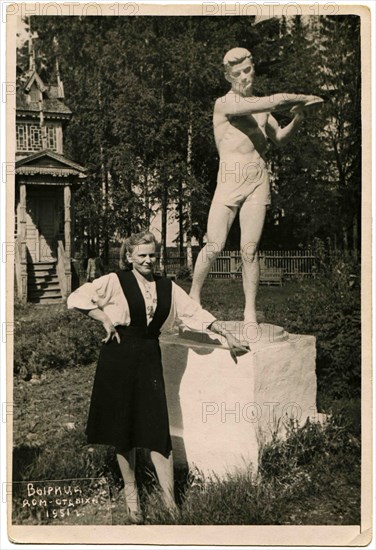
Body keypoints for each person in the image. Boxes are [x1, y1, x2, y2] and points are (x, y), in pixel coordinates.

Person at [67, 230, 248, 523]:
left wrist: (225, 334)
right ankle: (131, 493)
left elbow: (194, 313)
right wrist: (104, 319)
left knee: (157, 430)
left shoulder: (168, 287)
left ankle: (170, 504)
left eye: (152, 254)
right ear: (129, 257)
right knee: (123, 429)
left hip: (149, 356)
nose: (148, 260)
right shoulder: (115, 281)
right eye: (142, 255)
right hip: (119, 355)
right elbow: (77, 297)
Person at [189, 47, 323, 327]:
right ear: (228, 76)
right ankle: (193, 299)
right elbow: (272, 102)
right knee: (214, 245)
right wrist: (304, 98)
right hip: (229, 179)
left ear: (253, 69)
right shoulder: (225, 104)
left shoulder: (262, 111)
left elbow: (281, 139)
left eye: (247, 70)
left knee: (249, 249)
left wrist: (298, 117)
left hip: (257, 179)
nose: (244, 77)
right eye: (236, 73)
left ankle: (249, 311)